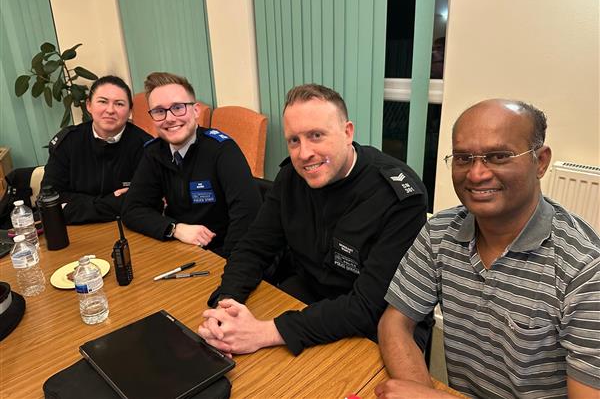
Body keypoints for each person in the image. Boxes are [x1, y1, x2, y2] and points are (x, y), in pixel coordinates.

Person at [377, 99, 600, 398]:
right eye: (463, 158)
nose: (476, 174)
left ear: (540, 161)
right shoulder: (439, 231)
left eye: (498, 156)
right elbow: (395, 322)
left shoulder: (585, 268)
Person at [198, 83, 430, 357]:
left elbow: (368, 306)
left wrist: (264, 332)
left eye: (316, 135)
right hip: (309, 297)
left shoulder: (399, 197)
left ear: (347, 132)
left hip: (377, 323)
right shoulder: (291, 178)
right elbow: (254, 248)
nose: (304, 153)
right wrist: (227, 305)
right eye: (294, 140)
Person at [122, 72, 261, 258]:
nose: (169, 118)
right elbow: (132, 210)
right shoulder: (154, 152)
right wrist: (175, 229)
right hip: (181, 248)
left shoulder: (222, 150)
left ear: (196, 111)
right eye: (159, 111)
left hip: (223, 253)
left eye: (178, 107)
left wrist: (227, 263)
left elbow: (248, 215)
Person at [42, 75, 152, 224]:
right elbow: (50, 200)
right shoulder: (68, 142)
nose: (110, 110)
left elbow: (145, 201)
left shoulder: (145, 146)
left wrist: (74, 206)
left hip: (127, 227)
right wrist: (113, 203)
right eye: (102, 102)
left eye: (119, 104)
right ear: (89, 105)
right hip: (75, 231)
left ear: (130, 111)